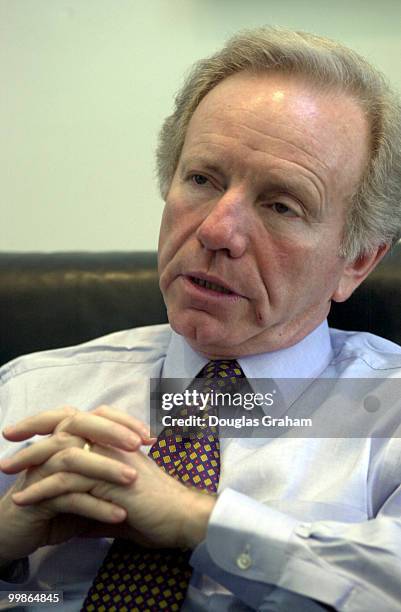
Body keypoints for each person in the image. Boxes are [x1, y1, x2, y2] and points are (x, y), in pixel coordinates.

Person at [1, 26, 401, 612]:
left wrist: (200, 522)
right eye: (202, 179)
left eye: (280, 204)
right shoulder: (28, 393)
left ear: (358, 260)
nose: (216, 230)